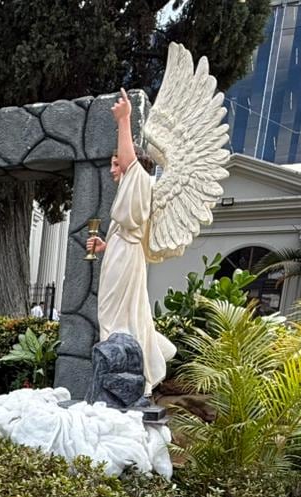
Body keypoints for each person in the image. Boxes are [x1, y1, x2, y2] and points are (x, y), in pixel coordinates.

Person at [84, 89, 176, 393]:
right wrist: (105, 247)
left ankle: (132, 374)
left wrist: (124, 120)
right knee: (117, 315)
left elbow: (130, 161)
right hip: (122, 257)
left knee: (117, 318)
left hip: (127, 262)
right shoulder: (133, 191)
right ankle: (125, 370)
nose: (113, 169)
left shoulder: (138, 180)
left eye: (115, 163)